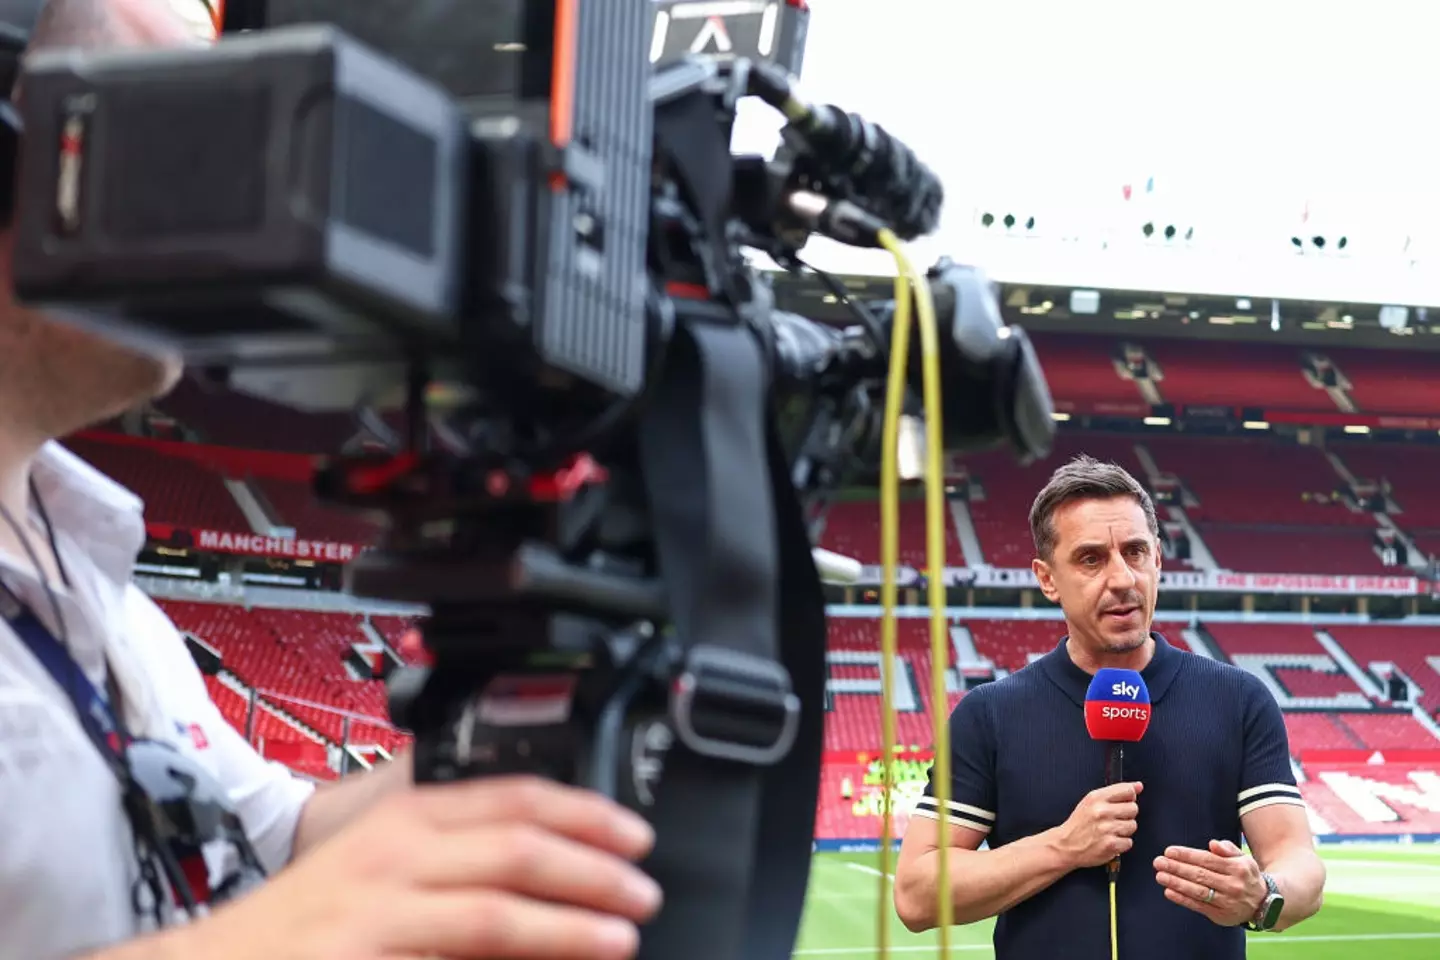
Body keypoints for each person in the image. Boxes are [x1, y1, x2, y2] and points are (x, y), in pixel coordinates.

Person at [0, 2, 660, 958]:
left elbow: (291, 840)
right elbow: (299, 913)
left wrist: (544, 703)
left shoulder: (96, 581)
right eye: (175, 140)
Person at [892, 455, 1326, 959]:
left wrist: (1263, 895)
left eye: (1136, 552)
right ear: (1047, 578)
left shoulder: (1238, 699)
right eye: (1091, 559)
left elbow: (1302, 867)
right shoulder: (989, 714)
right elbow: (916, 895)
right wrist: (1063, 846)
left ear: (1158, 560)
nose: (1122, 579)